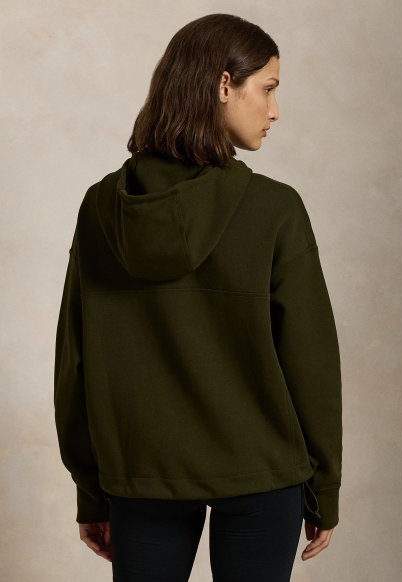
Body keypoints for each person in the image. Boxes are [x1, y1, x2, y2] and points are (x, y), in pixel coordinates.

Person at [54, 13, 342, 582]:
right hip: (262, 473)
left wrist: (92, 489)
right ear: (224, 85)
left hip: (141, 475)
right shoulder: (274, 208)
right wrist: (324, 488)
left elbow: (74, 362)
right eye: (268, 88)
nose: (275, 110)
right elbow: (311, 362)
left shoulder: (101, 207)